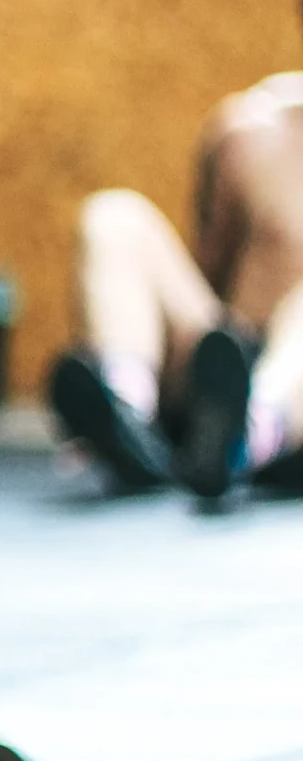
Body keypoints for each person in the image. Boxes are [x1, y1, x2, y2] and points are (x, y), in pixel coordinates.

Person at [50, 35, 303, 502]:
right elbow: (210, 270)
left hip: (290, 414)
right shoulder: (250, 130)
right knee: (113, 218)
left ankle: (250, 431)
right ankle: (126, 416)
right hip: (225, 370)